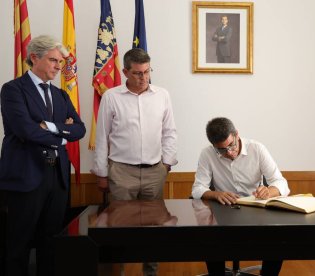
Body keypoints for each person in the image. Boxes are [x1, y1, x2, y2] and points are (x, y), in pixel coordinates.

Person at [0, 35, 86, 276]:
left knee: (51, 243)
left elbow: (79, 128)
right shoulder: (12, 89)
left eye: (60, 62)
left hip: (56, 177)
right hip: (26, 177)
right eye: (53, 60)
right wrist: (62, 131)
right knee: (19, 244)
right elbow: (25, 130)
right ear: (35, 57)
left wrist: (48, 127)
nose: (59, 67)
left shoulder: (60, 95)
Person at [91, 47, 178, 276]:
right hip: (121, 172)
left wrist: (166, 165)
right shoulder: (111, 97)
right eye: (138, 73)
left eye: (147, 72)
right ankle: (116, 273)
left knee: (154, 230)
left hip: (154, 172)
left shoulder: (162, 95)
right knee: (119, 229)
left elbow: (169, 132)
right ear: (125, 72)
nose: (144, 78)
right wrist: (101, 173)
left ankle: (150, 273)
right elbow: (102, 137)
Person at [192, 117, 290, 276]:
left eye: (231, 145)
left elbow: (281, 183)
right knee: (210, 237)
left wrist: (269, 191)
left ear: (237, 135)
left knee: (277, 239)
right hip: (224, 210)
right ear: (213, 146)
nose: (229, 152)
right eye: (222, 150)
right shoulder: (207, 154)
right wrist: (216, 194)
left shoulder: (257, 149)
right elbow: (197, 189)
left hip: (255, 209)